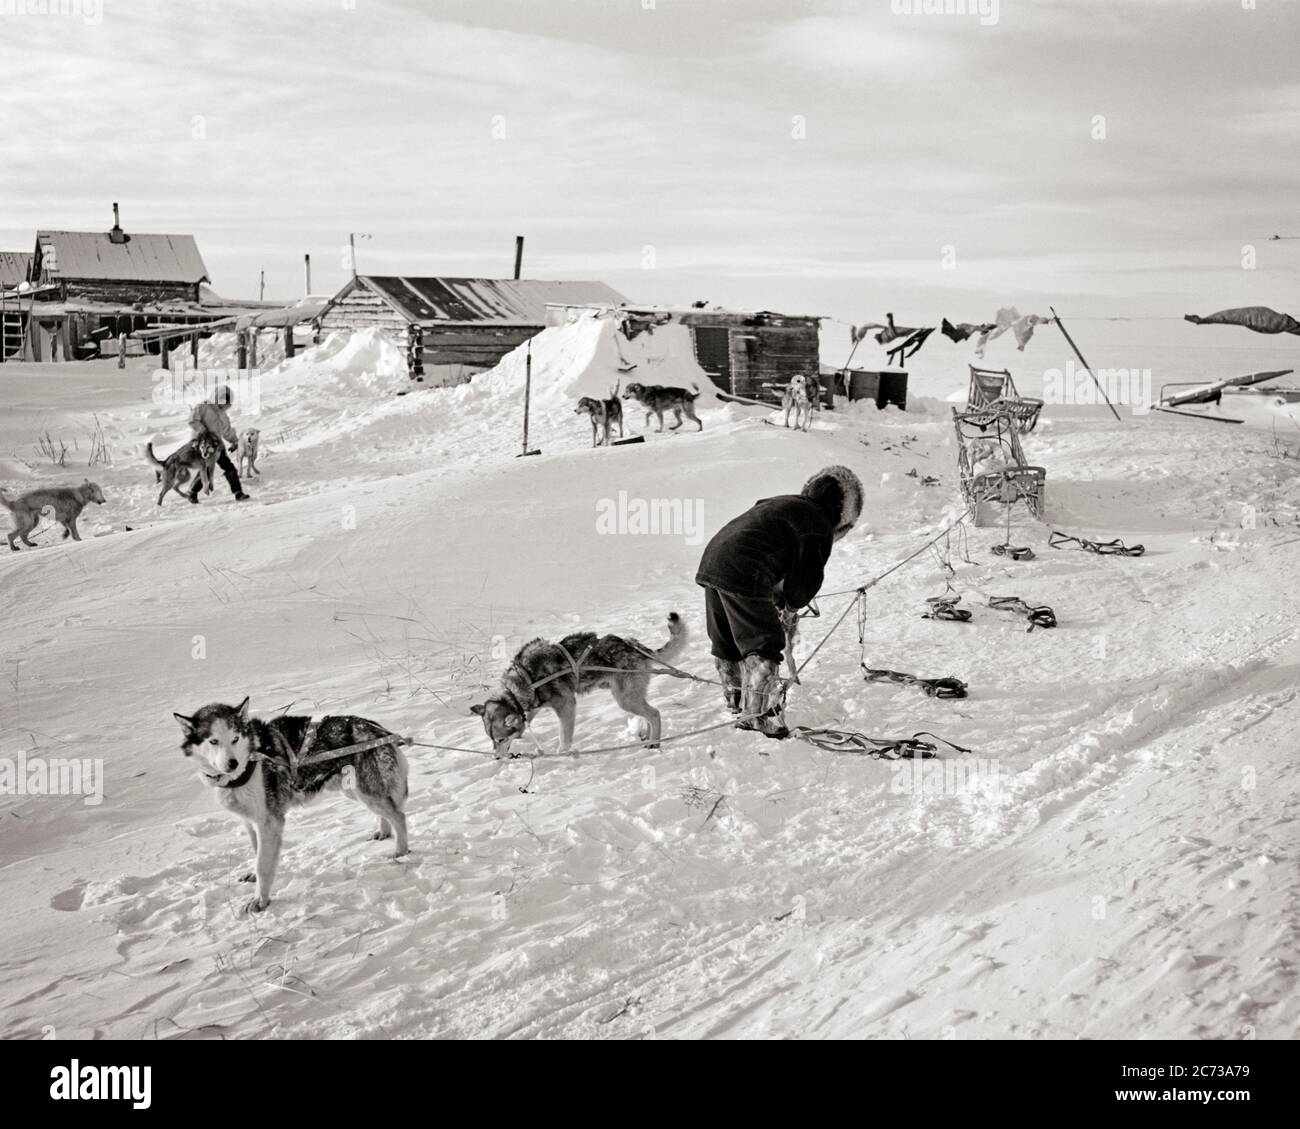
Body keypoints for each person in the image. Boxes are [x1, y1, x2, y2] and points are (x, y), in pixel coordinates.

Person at [695, 465, 863, 739]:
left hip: (714, 561)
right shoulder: (819, 524)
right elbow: (804, 583)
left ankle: (735, 700)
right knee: (764, 646)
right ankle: (757, 717)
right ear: (841, 515)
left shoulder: (784, 502)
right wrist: (790, 605)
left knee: (726, 640)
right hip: (746, 570)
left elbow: (767, 543)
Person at [188, 385, 250, 503]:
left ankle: (238, 493)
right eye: (222, 401)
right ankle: (192, 492)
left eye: (226, 403)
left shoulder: (223, 416)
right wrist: (203, 430)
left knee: (230, 468)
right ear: (216, 398)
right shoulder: (203, 407)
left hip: (217, 446)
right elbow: (192, 420)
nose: (223, 405)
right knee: (205, 469)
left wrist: (234, 441)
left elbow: (227, 431)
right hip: (202, 445)